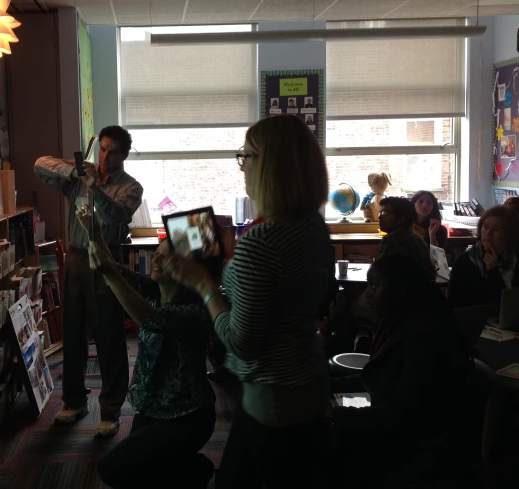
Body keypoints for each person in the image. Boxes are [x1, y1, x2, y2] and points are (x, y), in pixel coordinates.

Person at [161, 115, 332, 488]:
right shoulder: (314, 226)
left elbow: (242, 341)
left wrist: (203, 285)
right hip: (310, 387)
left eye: (246, 155)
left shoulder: (262, 241)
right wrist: (231, 266)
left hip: (272, 403)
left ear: (269, 165)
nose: (242, 165)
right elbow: (284, 301)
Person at [76, 207, 217, 489]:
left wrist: (109, 273)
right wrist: (93, 230)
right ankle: (189, 468)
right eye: (159, 252)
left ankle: (195, 471)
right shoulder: (154, 291)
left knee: (112, 470)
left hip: (187, 418)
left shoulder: (195, 312)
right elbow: (112, 267)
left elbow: (151, 319)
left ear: (185, 268)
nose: (157, 258)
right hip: (152, 410)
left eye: (168, 256)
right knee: (140, 471)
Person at [329, 255, 481, 488]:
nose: (366, 294)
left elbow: (402, 414)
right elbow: (376, 379)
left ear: (400, 290)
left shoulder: (425, 335)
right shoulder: (404, 317)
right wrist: (326, 388)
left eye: (374, 285)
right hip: (395, 418)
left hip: (419, 445)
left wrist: (333, 413)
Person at [34, 126, 143, 437]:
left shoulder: (131, 187)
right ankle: (74, 400)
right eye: (102, 149)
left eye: (112, 151)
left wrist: (95, 188)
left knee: (108, 336)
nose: (105, 156)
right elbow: (40, 165)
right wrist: (75, 172)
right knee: (73, 334)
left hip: (106, 262)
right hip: (76, 258)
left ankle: (109, 410)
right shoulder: (81, 178)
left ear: (124, 154)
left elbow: (116, 217)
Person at [448, 206, 519, 309]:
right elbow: (453, 305)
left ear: (509, 234)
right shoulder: (464, 261)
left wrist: (493, 271)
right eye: (485, 227)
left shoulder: (516, 262)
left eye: (497, 229)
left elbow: (508, 308)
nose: (488, 233)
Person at [378, 197, 435, 280]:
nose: (379, 217)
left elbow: (383, 275)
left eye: (384, 213)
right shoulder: (415, 236)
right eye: (379, 213)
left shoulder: (393, 239)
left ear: (401, 218)